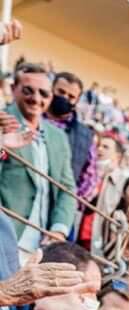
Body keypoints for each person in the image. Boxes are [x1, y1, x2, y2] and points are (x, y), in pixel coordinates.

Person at [1, 63, 78, 252]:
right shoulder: (2, 121)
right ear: (13, 89)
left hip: (40, 245)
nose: (36, 99)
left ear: (51, 97)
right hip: (4, 237)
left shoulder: (58, 137)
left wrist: (59, 230)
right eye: (28, 91)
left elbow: (67, 188)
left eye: (43, 94)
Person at [45, 71, 96, 201]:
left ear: (77, 101)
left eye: (71, 96)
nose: (65, 98)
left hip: (57, 206)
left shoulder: (86, 136)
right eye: (61, 92)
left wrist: (67, 201)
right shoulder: (31, 115)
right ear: (51, 89)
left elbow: (89, 177)